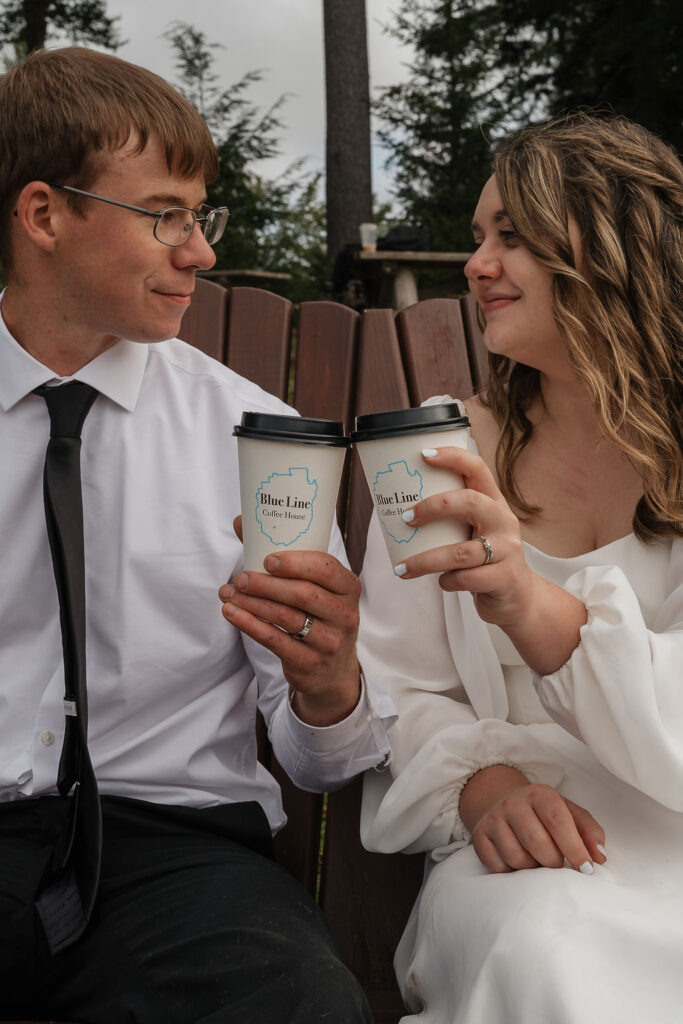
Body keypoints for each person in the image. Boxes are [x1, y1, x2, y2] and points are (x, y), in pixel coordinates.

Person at [0, 46, 395, 1024]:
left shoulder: (258, 445)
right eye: (164, 215)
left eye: (198, 214)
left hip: (177, 856)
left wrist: (326, 681)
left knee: (299, 1007)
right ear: (44, 214)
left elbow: (323, 763)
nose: (201, 251)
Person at [358, 112, 683, 1023]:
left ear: (614, 253)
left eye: (512, 236)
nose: (476, 263)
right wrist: (482, 786)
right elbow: (395, 688)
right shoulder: (436, 449)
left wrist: (530, 602)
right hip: (514, 847)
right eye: (476, 238)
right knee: (548, 953)